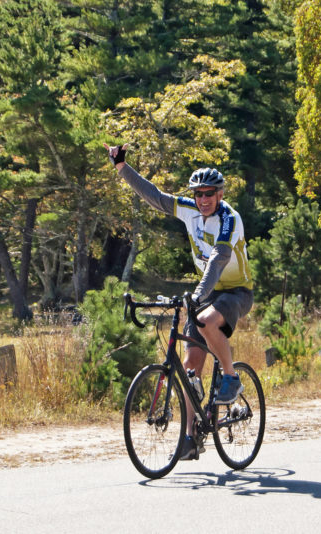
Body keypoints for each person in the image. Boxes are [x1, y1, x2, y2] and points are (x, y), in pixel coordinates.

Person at [105, 142, 254, 461]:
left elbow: (218, 258)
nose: (203, 200)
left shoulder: (229, 219)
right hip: (207, 290)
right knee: (189, 370)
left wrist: (199, 294)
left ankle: (231, 376)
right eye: (198, 194)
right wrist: (121, 167)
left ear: (220, 194)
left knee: (206, 320)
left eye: (209, 194)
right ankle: (190, 438)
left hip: (235, 291)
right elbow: (155, 196)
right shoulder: (189, 211)